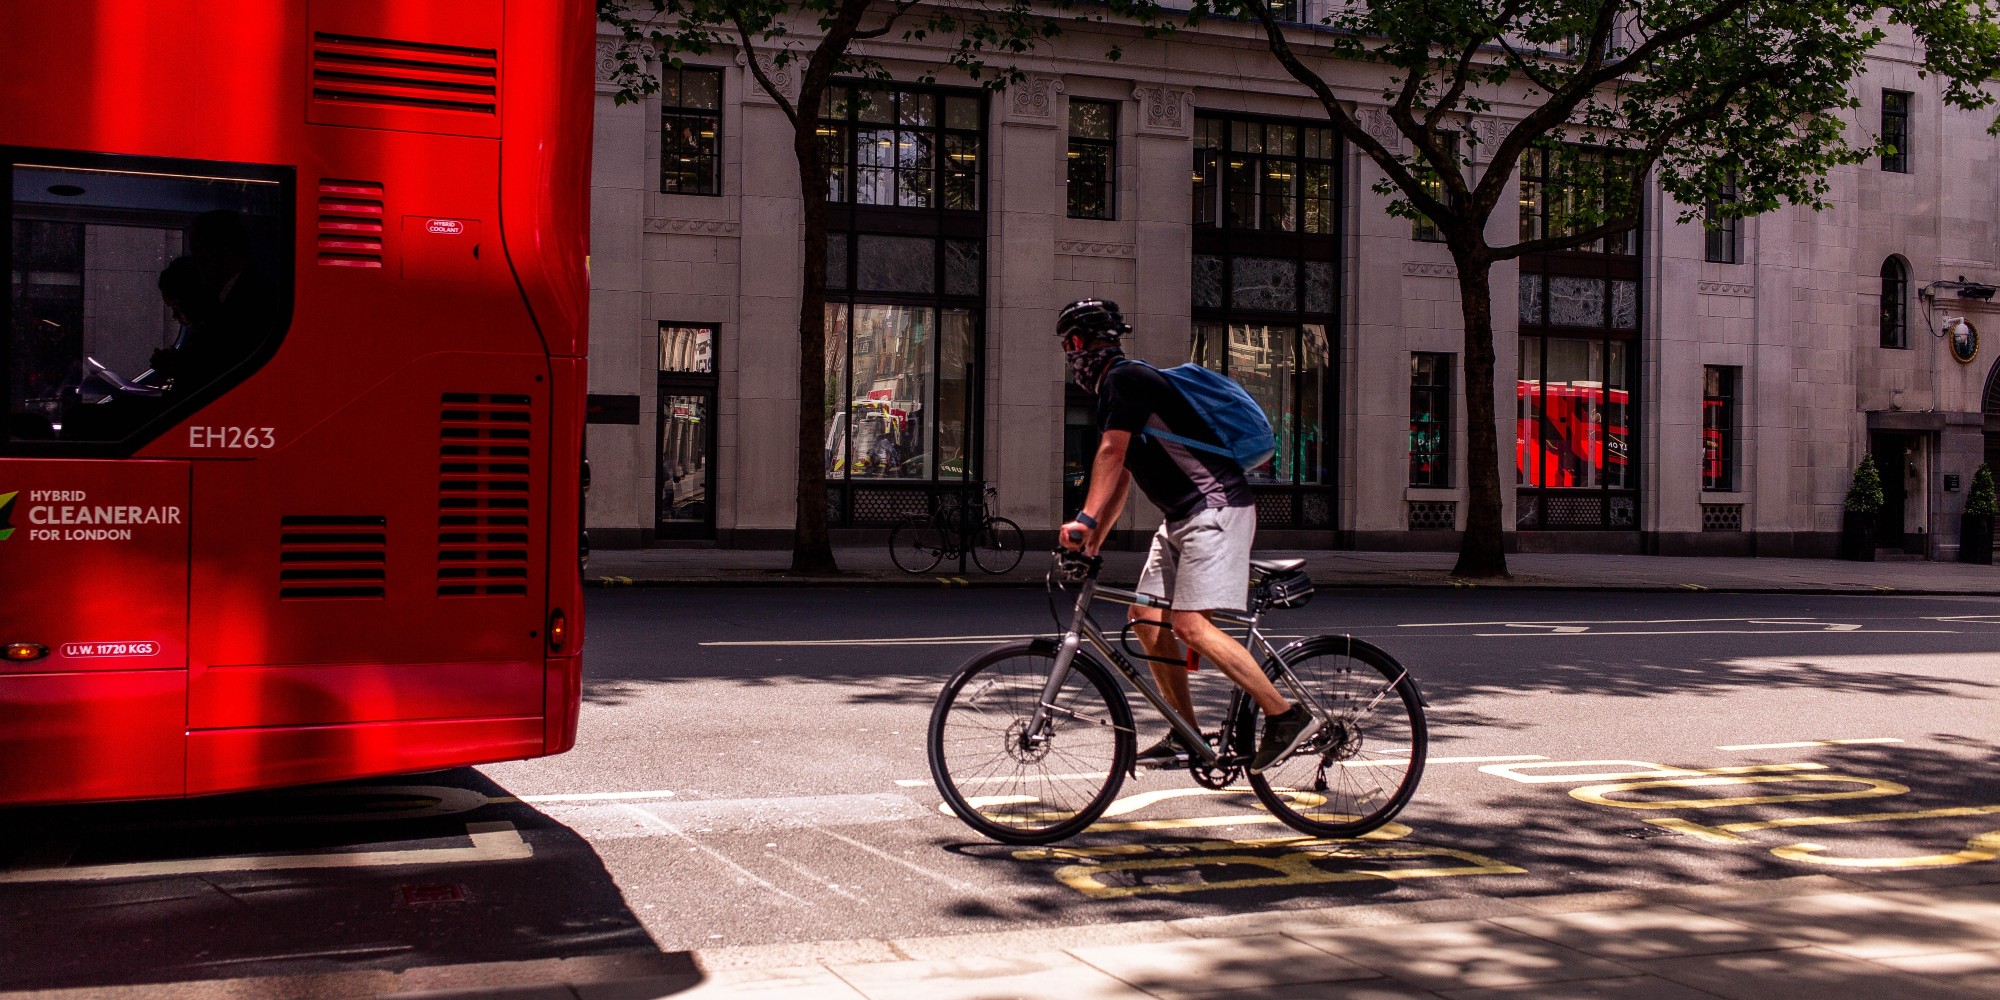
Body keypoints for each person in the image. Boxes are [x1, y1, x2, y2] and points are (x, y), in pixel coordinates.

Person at [1055, 299, 1321, 773]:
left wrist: (1085, 521)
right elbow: (1121, 477)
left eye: (1070, 346)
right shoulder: (1118, 391)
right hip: (1183, 518)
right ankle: (1185, 731)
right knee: (1146, 617)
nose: (1071, 357)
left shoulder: (1124, 379)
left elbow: (1111, 453)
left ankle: (1286, 715)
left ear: (1082, 343)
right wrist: (1095, 537)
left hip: (1216, 509)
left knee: (1189, 625)